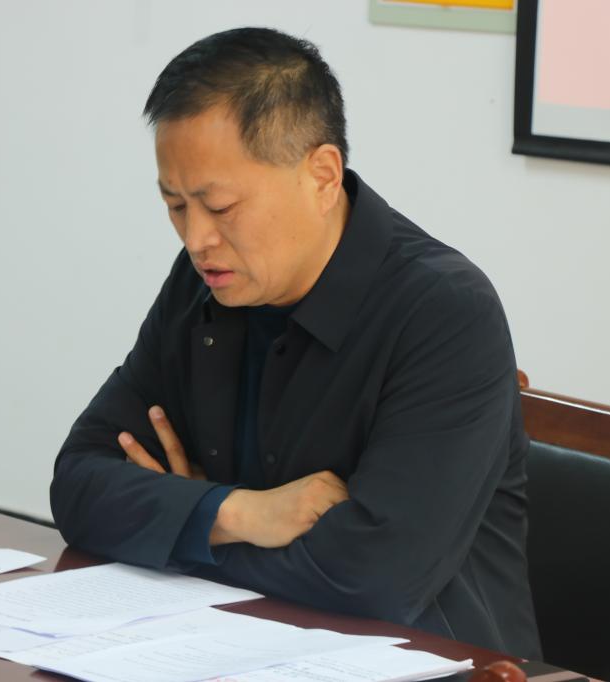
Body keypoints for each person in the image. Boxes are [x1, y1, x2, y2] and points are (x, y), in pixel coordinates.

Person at [50, 27, 541, 658]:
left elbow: (372, 581)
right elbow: (79, 486)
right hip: (226, 648)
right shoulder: (205, 284)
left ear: (322, 176)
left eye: (220, 207)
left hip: (431, 664)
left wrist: (178, 525)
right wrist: (237, 514)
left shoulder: (443, 312)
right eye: (175, 205)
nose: (196, 240)